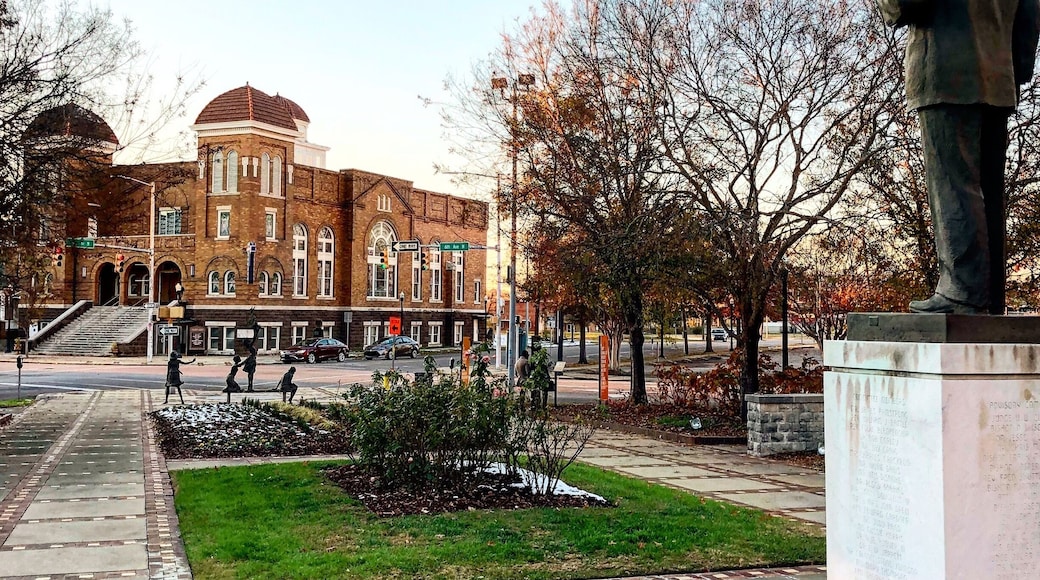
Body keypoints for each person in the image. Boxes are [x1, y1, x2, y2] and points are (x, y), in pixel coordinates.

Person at [879, 0, 1040, 314]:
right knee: (989, 192)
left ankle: (962, 292)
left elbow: (902, 6)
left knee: (952, 183)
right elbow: (1030, 13)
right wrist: (1013, 69)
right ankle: (989, 296)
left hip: (945, 71)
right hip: (998, 78)